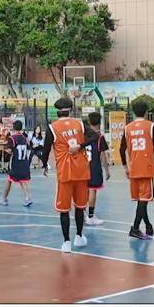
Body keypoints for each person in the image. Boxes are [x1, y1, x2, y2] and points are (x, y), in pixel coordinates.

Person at [41, 97, 90, 253]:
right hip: (81, 171)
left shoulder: (52, 128)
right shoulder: (80, 124)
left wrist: (44, 165)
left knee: (64, 209)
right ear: (71, 109)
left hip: (65, 172)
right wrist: (80, 146)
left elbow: (45, 149)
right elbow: (96, 137)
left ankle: (66, 242)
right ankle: (79, 236)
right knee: (80, 207)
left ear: (57, 112)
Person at [119, 101, 154, 240]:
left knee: (141, 201)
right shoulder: (150, 126)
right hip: (146, 169)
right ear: (146, 112)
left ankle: (148, 226)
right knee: (143, 200)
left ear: (133, 112)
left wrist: (125, 167)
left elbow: (121, 149)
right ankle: (135, 228)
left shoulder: (127, 128)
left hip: (133, 169)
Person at [85, 112, 110, 225]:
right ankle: (90, 216)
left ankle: (82, 212)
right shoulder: (99, 137)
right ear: (99, 123)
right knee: (92, 190)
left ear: (89, 122)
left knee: (84, 190)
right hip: (94, 167)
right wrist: (107, 170)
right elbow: (102, 155)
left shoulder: (83, 135)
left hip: (83, 167)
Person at [0, 120, 32, 207]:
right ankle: (27, 198)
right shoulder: (24, 138)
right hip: (24, 163)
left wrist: (4, 149)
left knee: (9, 180)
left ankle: (4, 198)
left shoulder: (12, 138)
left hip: (16, 164)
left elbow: (10, 150)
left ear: (13, 128)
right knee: (23, 181)